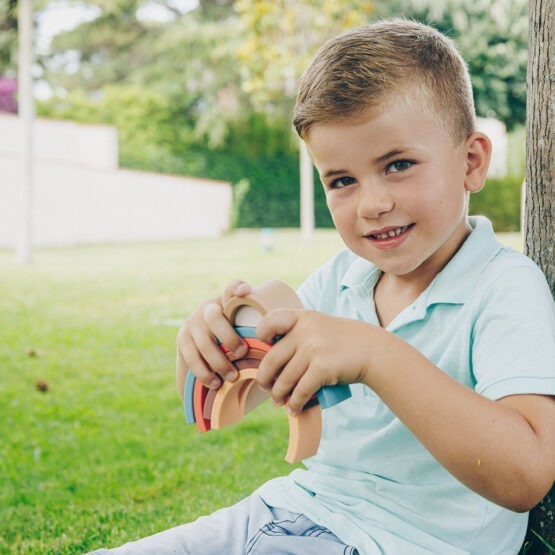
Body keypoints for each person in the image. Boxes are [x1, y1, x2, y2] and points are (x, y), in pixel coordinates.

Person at [88, 18, 555, 555]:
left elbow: (527, 474)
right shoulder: (341, 279)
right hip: (290, 512)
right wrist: (203, 346)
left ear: (471, 162)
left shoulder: (504, 287)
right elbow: (238, 393)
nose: (371, 204)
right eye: (342, 180)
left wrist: (377, 357)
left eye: (398, 165)